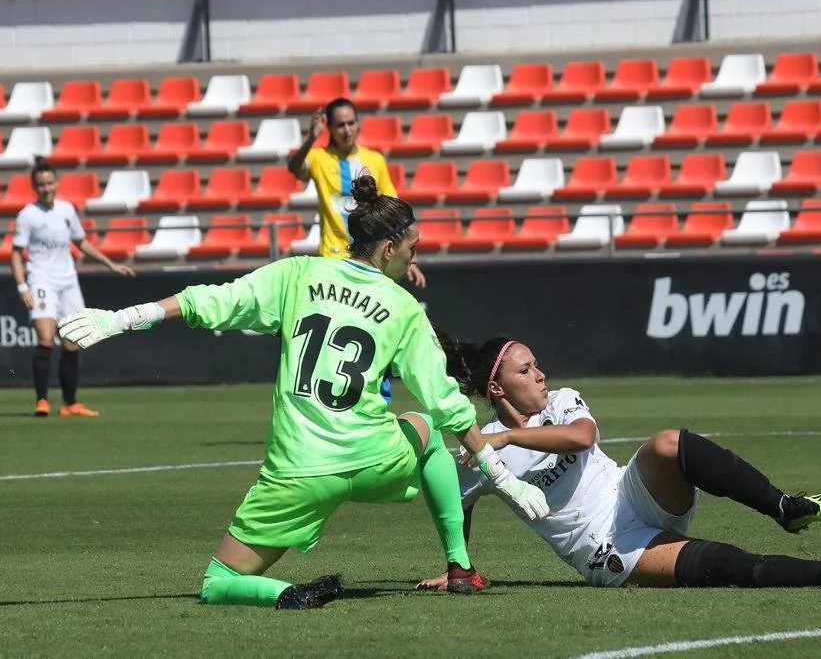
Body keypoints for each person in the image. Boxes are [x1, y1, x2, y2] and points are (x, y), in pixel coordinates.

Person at [57, 175, 549, 610]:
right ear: (386, 248)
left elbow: (207, 302)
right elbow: (446, 404)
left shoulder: (297, 274)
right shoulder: (403, 308)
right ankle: (460, 566)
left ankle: (287, 594)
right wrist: (503, 478)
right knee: (424, 427)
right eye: (413, 247)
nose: (416, 255)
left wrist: (121, 318)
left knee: (219, 581)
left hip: (297, 473)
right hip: (372, 458)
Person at [416, 332, 821, 591]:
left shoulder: (558, 403)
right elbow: (458, 502)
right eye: (525, 370)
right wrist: (459, 564)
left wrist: (510, 436)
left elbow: (583, 437)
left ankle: (785, 509)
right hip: (607, 546)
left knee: (665, 443)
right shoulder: (481, 447)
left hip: (630, 492)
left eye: (537, 364)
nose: (541, 375)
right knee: (720, 566)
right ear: (497, 389)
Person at [10, 157, 136, 417]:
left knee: (72, 340)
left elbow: (81, 243)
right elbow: (15, 253)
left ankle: (70, 404)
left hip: (68, 281)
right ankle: (42, 401)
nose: (46, 188)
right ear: (35, 187)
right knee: (45, 337)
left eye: (50, 183)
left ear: (56, 183)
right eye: (41, 185)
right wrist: (23, 287)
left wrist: (111, 264)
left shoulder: (67, 210)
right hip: (41, 280)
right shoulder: (27, 215)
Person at [286, 97, 426, 289]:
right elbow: (295, 168)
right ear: (330, 128)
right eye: (340, 125)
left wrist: (406, 254)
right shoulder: (319, 157)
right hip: (333, 257)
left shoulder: (374, 159)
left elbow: (393, 210)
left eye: (351, 123)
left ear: (358, 123)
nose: (347, 130)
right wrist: (311, 137)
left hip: (369, 260)